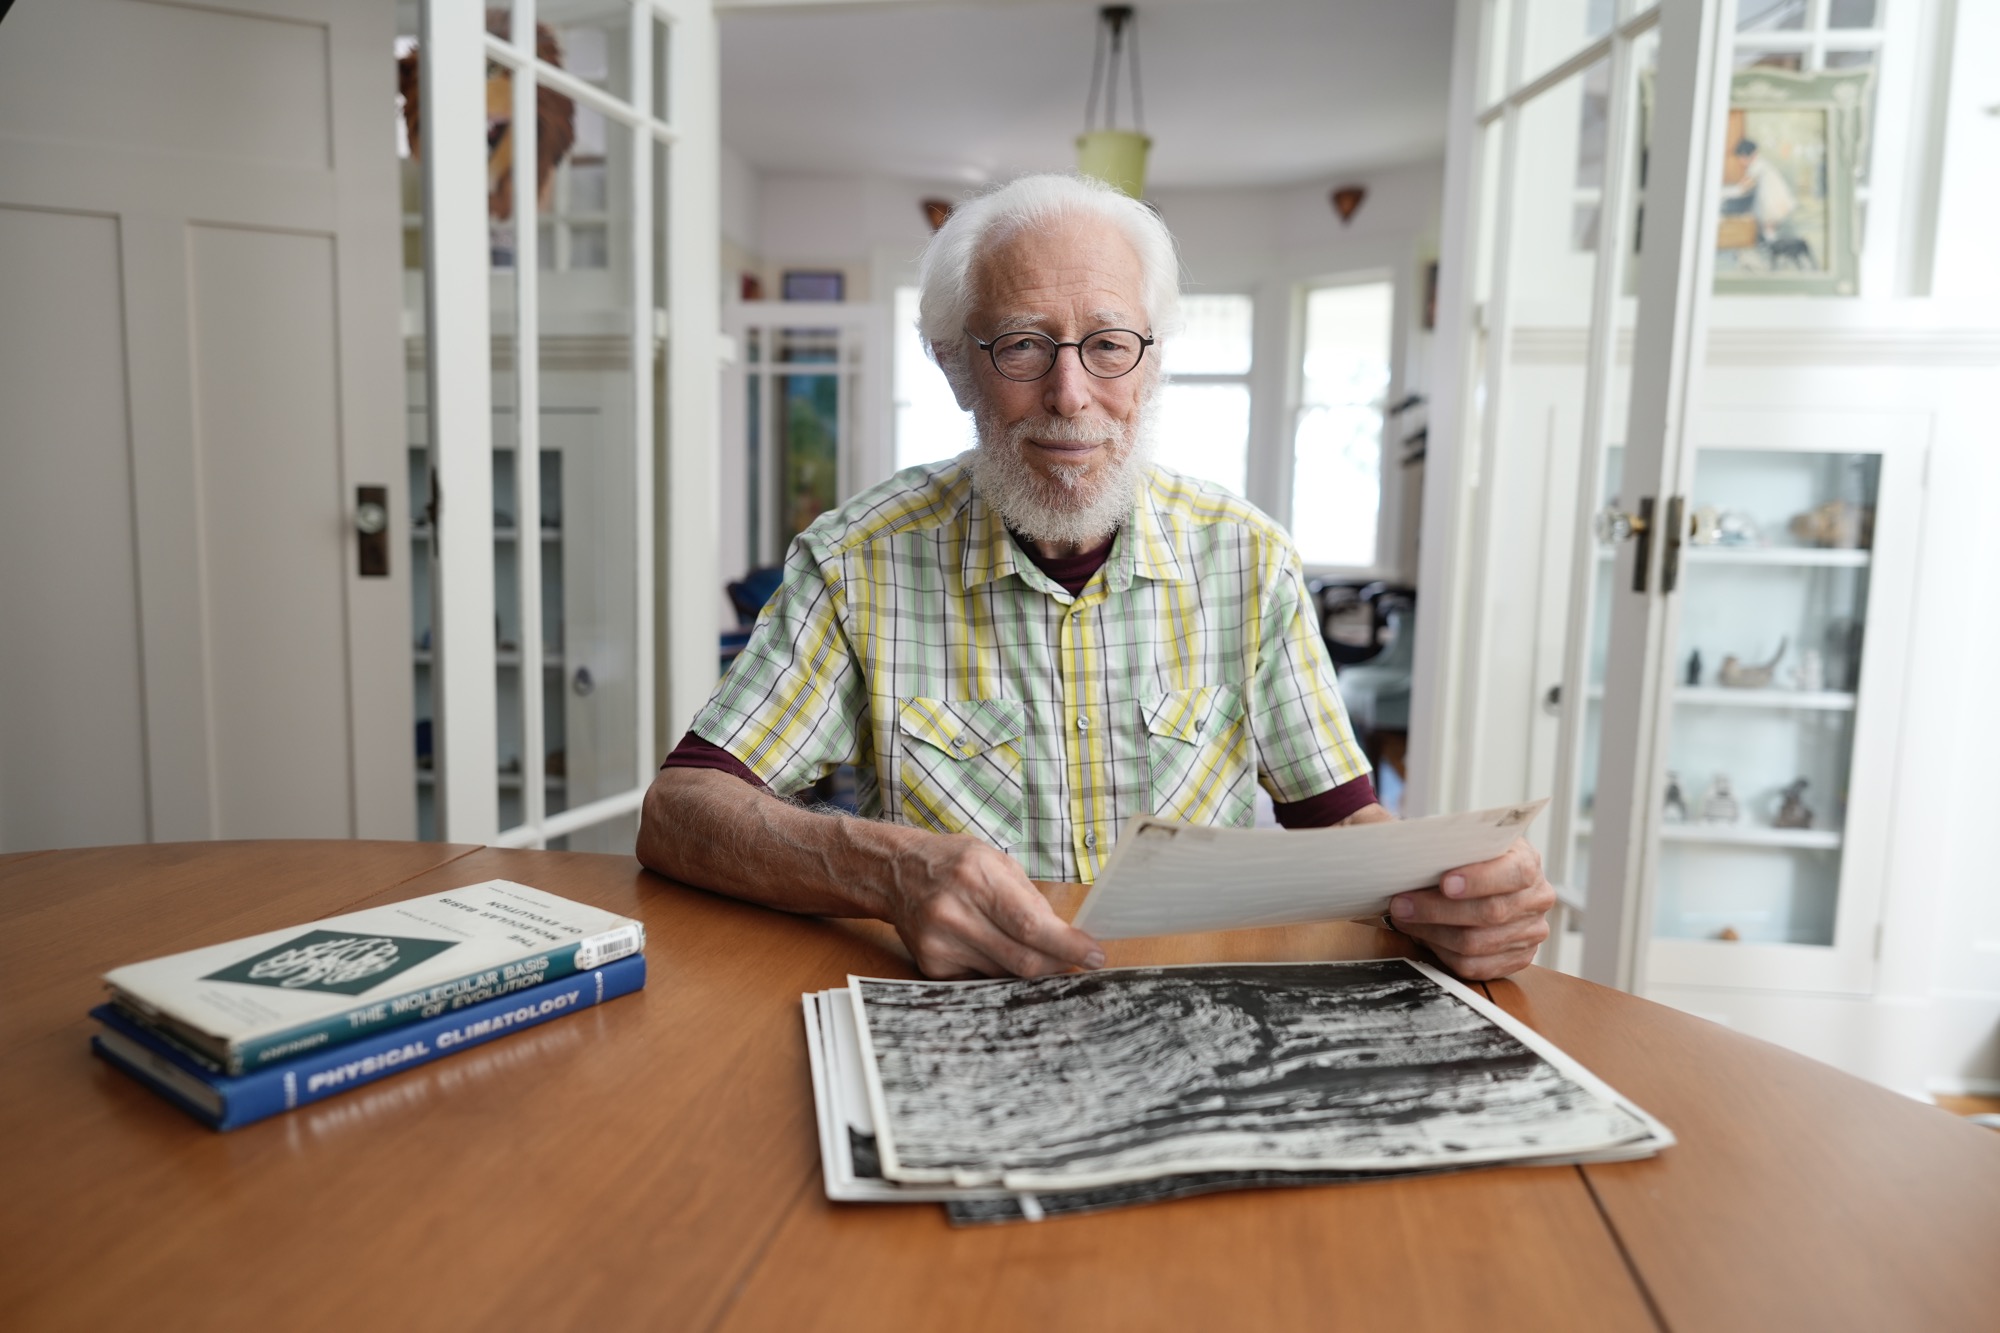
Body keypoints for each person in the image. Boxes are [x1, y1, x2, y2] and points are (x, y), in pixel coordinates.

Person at [636, 173, 1552, 982]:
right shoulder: (854, 563)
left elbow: (1346, 827)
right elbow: (679, 813)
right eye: (1023, 346)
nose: (1071, 394)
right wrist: (889, 869)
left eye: (1109, 343)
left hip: (1204, 1017)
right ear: (958, 368)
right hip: (961, 1023)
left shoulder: (1249, 559)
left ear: (1152, 364)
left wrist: (1459, 896)